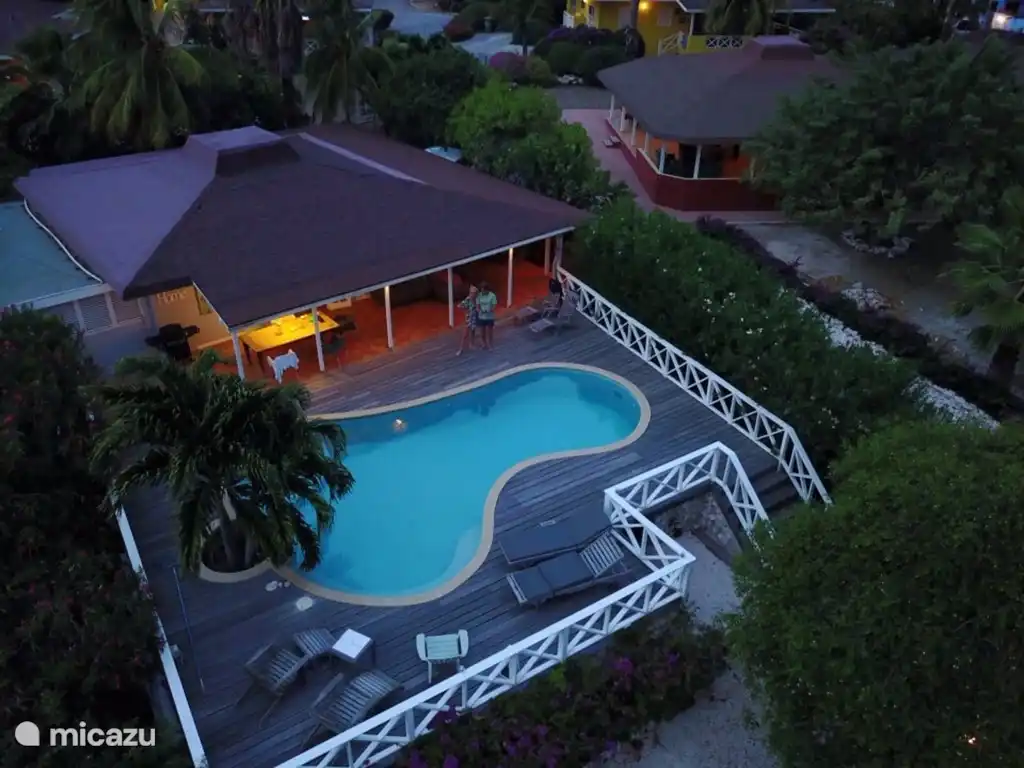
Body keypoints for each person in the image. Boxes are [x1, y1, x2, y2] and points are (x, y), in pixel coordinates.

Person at [456, 285, 479, 356]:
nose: (473, 294)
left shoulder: (477, 299)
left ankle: (471, 344)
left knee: (473, 332)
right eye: (472, 293)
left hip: (475, 318)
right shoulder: (468, 300)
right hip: (469, 319)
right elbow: (459, 305)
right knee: (465, 334)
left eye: (474, 293)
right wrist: (465, 311)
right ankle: (461, 349)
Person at [476, 281, 499, 350]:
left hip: (489, 316)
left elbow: (494, 305)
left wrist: (490, 310)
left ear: (487, 290)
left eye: (483, 291)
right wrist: (479, 310)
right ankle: (484, 344)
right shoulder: (479, 295)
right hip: (481, 316)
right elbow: (477, 305)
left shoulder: (492, 296)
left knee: (490, 331)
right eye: (481, 290)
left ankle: (490, 344)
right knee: (482, 331)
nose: (482, 292)